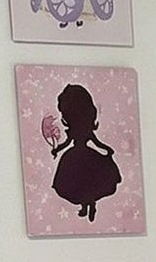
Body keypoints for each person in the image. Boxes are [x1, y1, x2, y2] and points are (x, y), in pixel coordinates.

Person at [49, 81, 122, 221]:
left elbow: (95, 142)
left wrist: (107, 149)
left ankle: (90, 205)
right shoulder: (78, 131)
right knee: (84, 184)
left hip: (80, 159)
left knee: (87, 183)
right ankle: (86, 206)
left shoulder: (83, 130)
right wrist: (57, 149)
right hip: (79, 159)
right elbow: (68, 143)